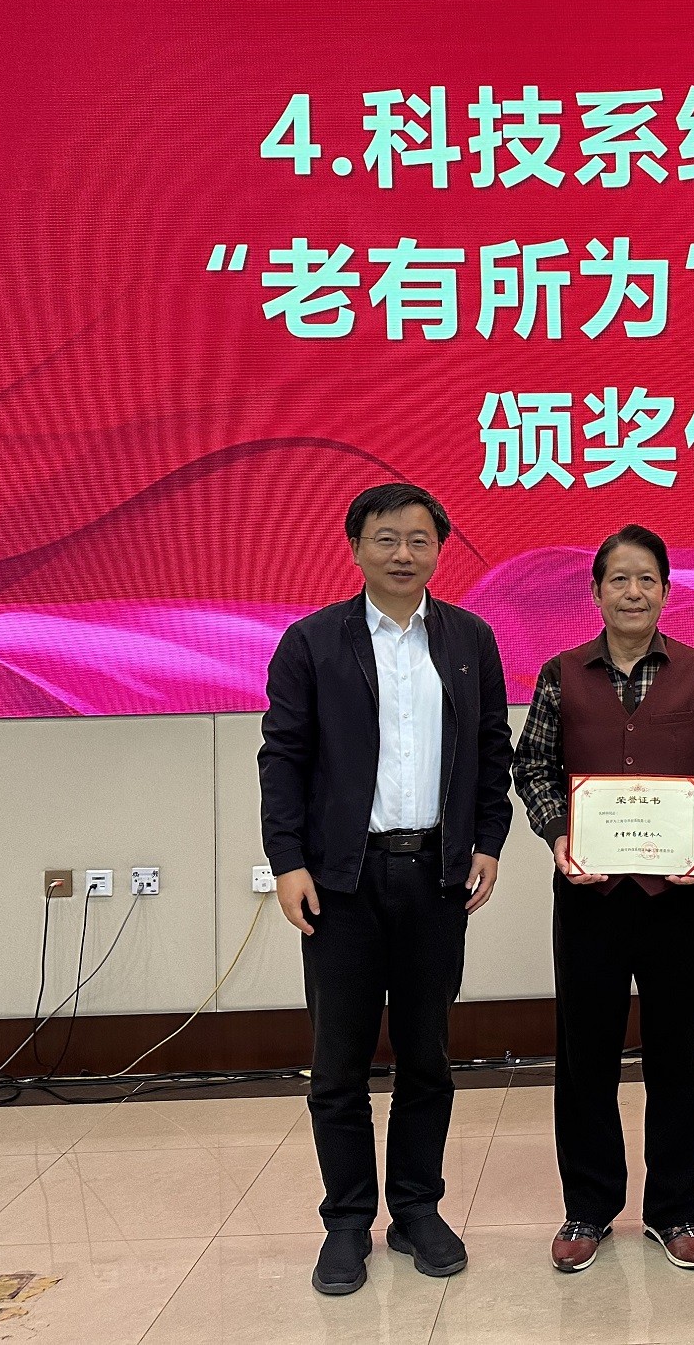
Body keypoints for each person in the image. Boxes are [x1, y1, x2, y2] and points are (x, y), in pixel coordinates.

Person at [258, 482, 513, 1291]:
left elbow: (492, 750)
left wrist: (489, 841)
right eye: (386, 538)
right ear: (356, 547)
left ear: (439, 550)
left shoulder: (469, 638)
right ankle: (346, 1222)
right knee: (338, 1062)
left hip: (436, 874)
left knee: (426, 1056)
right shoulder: (312, 642)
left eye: (419, 540)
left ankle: (416, 1210)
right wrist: (287, 862)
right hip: (342, 881)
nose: (403, 553)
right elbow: (283, 758)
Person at [512, 524, 694, 1274]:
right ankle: (588, 1206)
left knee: (679, 1051)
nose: (634, 592)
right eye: (619, 579)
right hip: (587, 894)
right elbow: (533, 766)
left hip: (678, 892)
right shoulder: (560, 674)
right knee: (586, 1054)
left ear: (667, 591)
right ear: (596, 591)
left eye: (647, 579)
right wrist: (557, 834)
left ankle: (674, 1209)